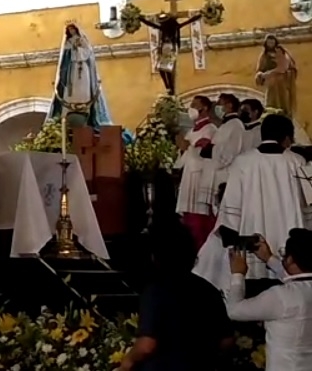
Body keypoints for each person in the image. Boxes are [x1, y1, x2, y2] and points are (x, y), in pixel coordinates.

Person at [195, 114, 312, 290]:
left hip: (254, 244)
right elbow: (307, 208)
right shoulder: (297, 161)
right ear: (287, 138)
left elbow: (231, 209)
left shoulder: (242, 162)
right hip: (290, 251)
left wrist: (231, 236)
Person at [118, 219, 232, 371]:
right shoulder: (208, 290)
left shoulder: (155, 291)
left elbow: (147, 345)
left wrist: (127, 362)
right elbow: (226, 340)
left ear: (155, 256)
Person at [226, 228, 312, 371]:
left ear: (290, 259)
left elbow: (234, 310)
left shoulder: (280, 296)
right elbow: (297, 280)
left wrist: (237, 274)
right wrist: (268, 258)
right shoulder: (289, 293)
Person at [45, 23, 114, 130]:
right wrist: (72, 50)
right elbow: (65, 57)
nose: (72, 31)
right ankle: (71, 103)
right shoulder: (68, 42)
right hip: (72, 69)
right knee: (72, 87)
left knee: (84, 86)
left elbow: (88, 52)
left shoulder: (83, 40)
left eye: (73, 29)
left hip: (83, 67)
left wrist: (79, 50)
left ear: (76, 30)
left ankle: (84, 104)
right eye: (70, 30)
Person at [174, 95, 217, 250]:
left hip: (200, 178)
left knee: (199, 219)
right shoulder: (192, 130)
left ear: (204, 108)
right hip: (188, 176)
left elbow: (206, 152)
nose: (191, 107)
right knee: (188, 217)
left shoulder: (211, 129)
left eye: (194, 104)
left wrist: (188, 146)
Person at [198, 93, 245, 214]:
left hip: (224, 174)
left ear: (229, 105)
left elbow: (231, 151)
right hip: (215, 171)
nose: (217, 107)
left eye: (220, 104)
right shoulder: (226, 124)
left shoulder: (236, 125)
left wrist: (209, 148)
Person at [256, 34, 298, 118]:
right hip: (271, 85)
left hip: (282, 83)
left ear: (275, 42)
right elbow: (259, 70)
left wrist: (268, 73)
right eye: (269, 42)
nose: (271, 43)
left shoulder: (281, 52)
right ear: (266, 43)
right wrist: (260, 75)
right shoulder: (264, 56)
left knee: (283, 104)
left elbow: (284, 67)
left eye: (272, 41)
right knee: (271, 105)